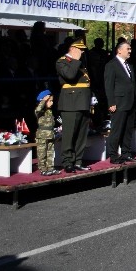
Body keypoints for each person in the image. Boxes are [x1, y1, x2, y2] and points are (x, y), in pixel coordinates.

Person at [56, 38, 92, 173]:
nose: (82, 52)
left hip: (83, 101)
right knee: (69, 134)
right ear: (73, 49)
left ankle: (78, 160)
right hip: (70, 103)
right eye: (80, 49)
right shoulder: (62, 61)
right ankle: (67, 161)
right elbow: (70, 76)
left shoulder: (80, 64)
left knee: (81, 135)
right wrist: (76, 60)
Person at [104, 40, 136, 164]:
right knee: (117, 129)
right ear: (119, 50)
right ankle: (113, 155)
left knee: (128, 130)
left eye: (130, 49)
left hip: (130, 102)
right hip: (119, 102)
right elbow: (108, 85)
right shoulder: (111, 65)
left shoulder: (129, 65)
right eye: (127, 49)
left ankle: (126, 153)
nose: (130, 51)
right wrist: (111, 103)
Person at [35, 90, 60, 176]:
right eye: (49, 101)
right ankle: (43, 169)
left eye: (52, 101)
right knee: (42, 153)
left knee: (50, 153)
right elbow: (38, 110)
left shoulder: (50, 111)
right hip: (42, 135)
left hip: (50, 134)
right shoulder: (40, 111)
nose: (51, 103)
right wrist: (43, 101)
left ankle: (50, 168)